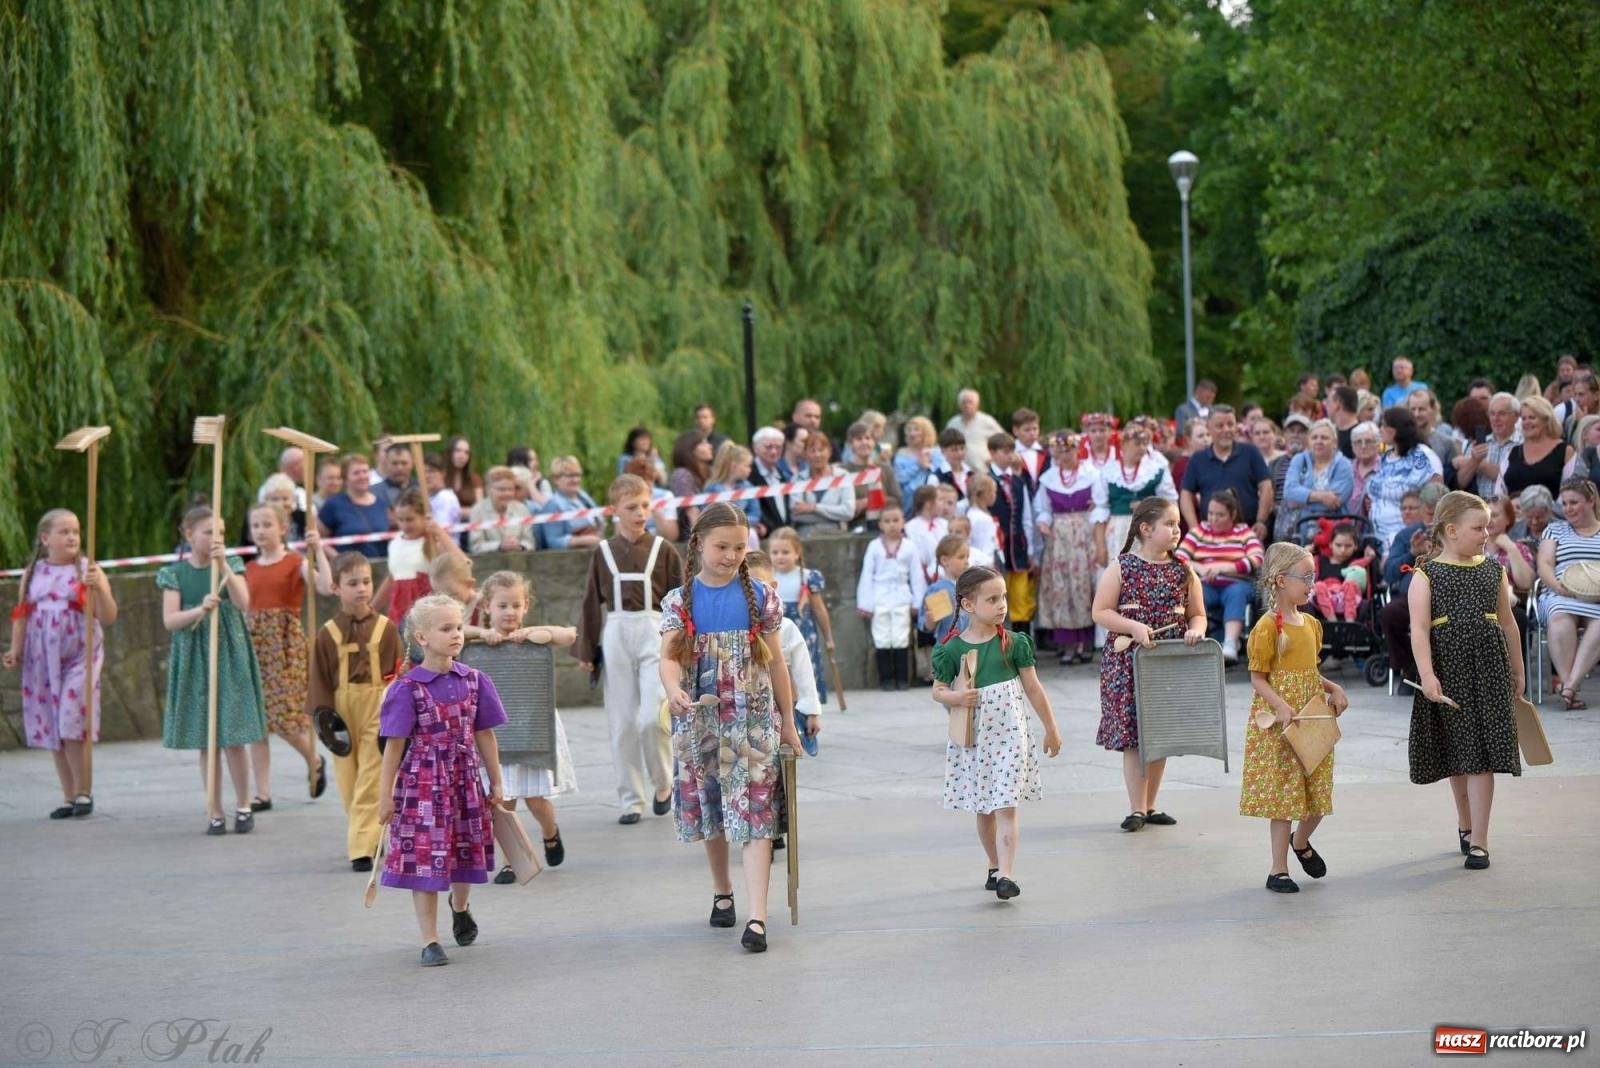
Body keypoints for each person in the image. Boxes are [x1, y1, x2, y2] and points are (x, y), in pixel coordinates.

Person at [659, 503, 801, 954]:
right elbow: (667, 656)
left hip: (754, 719)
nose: (731, 555)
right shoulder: (680, 601)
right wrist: (671, 690)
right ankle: (723, 890)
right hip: (701, 716)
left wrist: (789, 724)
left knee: (758, 814)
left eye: (740, 547)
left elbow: (777, 665)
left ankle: (757, 917)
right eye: (722, 546)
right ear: (699, 543)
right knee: (715, 809)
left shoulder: (760, 596)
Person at [375, 594, 506, 967]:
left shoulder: (475, 681)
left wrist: (495, 781)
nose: (456, 635)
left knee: (464, 850)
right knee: (424, 861)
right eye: (446, 628)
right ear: (421, 638)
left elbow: (485, 735)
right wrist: (385, 797)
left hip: (464, 779)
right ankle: (430, 940)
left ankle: (460, 906)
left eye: (459, 627)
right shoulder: (406, 689)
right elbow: (393, 748)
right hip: (422, 787)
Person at [1410, 492, 1526, 872]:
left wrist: (1518, 669)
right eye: (1479, 527)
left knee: (1481, 755)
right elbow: (1419, 630)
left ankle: (1480, 840)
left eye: (1488, 526)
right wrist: (1427, 675)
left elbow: (1507, 622)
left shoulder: (1493, 570)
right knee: (1459, 753)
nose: (1486, 533)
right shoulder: (1426, 574)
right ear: (1452, 530)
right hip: (1450, 670)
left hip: (1489, 670)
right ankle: (1465, 822)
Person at [932, 566, 1062, 901]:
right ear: (968, 605)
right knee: (984, 808)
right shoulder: (952, 650)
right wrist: (956, 697)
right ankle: (993, 864)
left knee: (1006, 804)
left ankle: (1006, 874)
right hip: (976, 741)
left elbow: (1033, 688)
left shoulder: (1014, 644)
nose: (1002, 604)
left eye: (1003, 597)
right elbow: (938, 690)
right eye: (993, 599)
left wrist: (1051, 727)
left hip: (1010, 737)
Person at [1092, 497, 1207, 832]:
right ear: (1146, 529)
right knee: (1133, 737)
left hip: (1167, 661)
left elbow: (1196, 614)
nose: (1177, 530)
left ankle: (1151, 804)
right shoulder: (1122, 566)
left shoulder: (1183, 570)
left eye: (1177, 524)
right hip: (1128, 662)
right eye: (1170, 524)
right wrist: (1133, 626)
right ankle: (1135, 808)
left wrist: (1196, 631)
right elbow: (1101, 611)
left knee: (1160, 735)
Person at [576, 474, 684, 824]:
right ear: (614, 511)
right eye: (631, 507)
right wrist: (586, 650)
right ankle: (630, 799)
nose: (640, 513)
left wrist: (684, 643)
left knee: (652, 716)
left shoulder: (663, 550)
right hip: (617, 630)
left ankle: (664, 782)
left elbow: (680, 600)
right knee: (622, 721)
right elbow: (592, 601)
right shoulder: (603, 552)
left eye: (644, 506)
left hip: (656, 631)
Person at [1242, 543, 1350, 893]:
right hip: (1280, 720)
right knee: (1285, 795)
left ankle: (1300, 841)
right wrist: (1279, 705)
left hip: (1312, 714)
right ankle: (1278, 870)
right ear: (1279, 581)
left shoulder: (1312, 624)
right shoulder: (1266, 628)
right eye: (1304, 577)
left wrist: (1334, 688)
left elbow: (1308, 672)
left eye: (1312, 577)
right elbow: (1259, 677)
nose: (1311, 584)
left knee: (1318, 793)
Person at [158, 506, 267, 835]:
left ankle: (244, 804)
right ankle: (214, 810)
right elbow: (170, 620)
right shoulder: (174, 573)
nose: (215, 538)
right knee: (208, 740)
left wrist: (224, 568)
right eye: (208, 532)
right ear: (189, 534)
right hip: (195, 658)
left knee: (234, 736)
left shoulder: (231, 564)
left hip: (229, 652)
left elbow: (244, 602)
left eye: (220, 532)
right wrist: (198, 611)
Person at [4, 509, 117, 820]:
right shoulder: (32, 573)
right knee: (54, 724)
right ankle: (68, 795)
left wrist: (101, 590)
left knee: (70, 719)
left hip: (81, 655)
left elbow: (107, 616)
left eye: (76, 532)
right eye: (64, 531)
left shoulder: (86, 571)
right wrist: (15, 648)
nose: (72, 537)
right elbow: (22, 615)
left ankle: (84, 790)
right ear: (45, 538)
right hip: (42, 658)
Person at [474, 571, 577, 883]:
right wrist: (481, 631)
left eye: (516, 605)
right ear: (487, 606)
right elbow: (452, 634)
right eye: (502, 605)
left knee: (535, 800)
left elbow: (569, 635)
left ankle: (550, 832)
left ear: (525, 606)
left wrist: (536, 630)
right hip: (498, 733)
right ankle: (512, 860)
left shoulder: (533, 637)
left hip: (533, 725)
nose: (509, 612)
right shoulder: (477, 640)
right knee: (502, 800)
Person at [310, 551, 405, 868]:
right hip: (341, 706)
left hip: (379, 703)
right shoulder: (327, 634)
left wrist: (401, 708)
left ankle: (361, 849)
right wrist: (323, 717)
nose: (362, 588)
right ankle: (372, 834)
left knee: (370, 776)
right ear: (335, 588)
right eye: (353, 583)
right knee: (348, 779)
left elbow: (399, 670)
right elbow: (320, 679)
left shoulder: (386, 629)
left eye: (366, 581)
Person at [242, 502, 332, 814]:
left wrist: (317, 549)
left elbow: (324, 587)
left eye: (267, 524)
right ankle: (262, 792)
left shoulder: (295, 562)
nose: (260, 531)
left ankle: (314, 758)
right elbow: (243, 607)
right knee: (256, 722)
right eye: (255, 525)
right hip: (255, 644)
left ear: (282, 528)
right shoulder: (249, 569)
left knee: (283, 718)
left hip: (284, 644)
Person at [746, 551, 821, 753]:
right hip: (743, 710)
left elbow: (803, 669)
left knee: (781, 763)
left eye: (759, 584)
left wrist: (811, 711)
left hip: (781, 707)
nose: (752, 592)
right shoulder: (734, 628)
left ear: (773, 586)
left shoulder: (786, 627)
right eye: (745, 586)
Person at [1178, 489, 1264, 663]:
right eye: (1210, 513)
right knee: (1192, 594)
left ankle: (1231, 644)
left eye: (1220, 515)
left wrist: (1226, 567)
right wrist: (1200, 568)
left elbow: (1257, 558)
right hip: (1205, 583)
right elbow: (1178, 558)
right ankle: (1192, 640)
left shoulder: (1243, 532)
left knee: (1236, 594)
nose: (1213, 519)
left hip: (1236, 583)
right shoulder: (1200, 531)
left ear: (1232, 515)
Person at [1536, 478, 1600, 710]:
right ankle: (1569, 685)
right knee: (1560, 616)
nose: (1568, 508)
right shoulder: (1555, 529)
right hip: (1560, 591)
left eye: (1574, 502)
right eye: (1564, 503)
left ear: (1591, 501)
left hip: (1597, 594)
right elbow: (1544, 564)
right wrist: (1560, 587)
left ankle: (1569, 686)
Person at [1036, 431, 1099, 664]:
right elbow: (1043, 508)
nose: (1065, 455)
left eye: (1069, 450)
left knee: (1084, 585)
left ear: (1077, 450)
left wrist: (1096, 506)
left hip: (1085, 534)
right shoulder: (1049, 478)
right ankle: (1067, 644)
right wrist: (1043, 522)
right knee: (1063, 587)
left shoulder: (1091, 474)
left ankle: (1086, 643)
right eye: (1060, 451)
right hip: (1060, 536)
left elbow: (1102, 502)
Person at [1179, 405, 1273, 543]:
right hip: (1210, 536)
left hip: (1248, 533)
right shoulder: (1198, 459)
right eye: (1220, 426)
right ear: (1209, 428)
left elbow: (1266, 487)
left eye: (1230, 424)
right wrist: (1194, 528)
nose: (1226, 430)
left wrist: (1261, 520)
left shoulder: (1251, 452)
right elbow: (1186, 494)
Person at [854, 505, 923, 690]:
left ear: (903, 522)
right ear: (880, 524)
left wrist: (918, 601)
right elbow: (867, 575)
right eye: (887, 521)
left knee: (901, 636)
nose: (892, 525)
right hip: (879, 595)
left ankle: (902, 679)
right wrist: (865, 604)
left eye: (895, 520)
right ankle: (886, 679)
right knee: (882, 635)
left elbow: (916, 576)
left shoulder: (909, 546)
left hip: (901, 594)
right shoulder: (874, 546)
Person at [768, 527, 836, 703]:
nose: (780, 556)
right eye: (775, 552)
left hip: (804, 638)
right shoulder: (767, 578)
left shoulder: (807, 577)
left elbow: (819, 609)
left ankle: (809, 713)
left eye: (785, 552)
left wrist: (829, 637)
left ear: (797, 553)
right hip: (777, 637)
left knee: (804, 674)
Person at [1364, 407, 1444, 551]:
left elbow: (1436, 497)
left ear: (1395, 429)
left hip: (1408, 538)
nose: (1380, 429)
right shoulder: (1385, 457)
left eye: (1383, 425)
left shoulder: (1423, 456)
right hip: (1377, 537)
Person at [377, 488, 457, 628]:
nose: (405, 525)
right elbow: (392, 578)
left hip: (427, 610)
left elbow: (461, 563)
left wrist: (438, 532)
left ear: (424, 516)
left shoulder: (432, 543)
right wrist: (373, 606)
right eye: (400, 520)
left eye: (410, 519)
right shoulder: (395, 543)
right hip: (400, 609)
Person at [986, 432, 1040, 635]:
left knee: (1021, 597)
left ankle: (1023, 644)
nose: (1009, 456)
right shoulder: (984, 479)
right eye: (1005, 452)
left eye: (1012, 452)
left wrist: (1030, 549)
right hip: (997, 547)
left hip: (1017, 546)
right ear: (992, 453)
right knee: (993, 595)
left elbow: (1026, 517)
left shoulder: (1018, 482)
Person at [1281, 420, 1355, 541]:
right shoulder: (1299, 460)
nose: (1319, 441)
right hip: (1301, 529)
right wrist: (1322, 496)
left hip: (1335, 534)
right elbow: (1289, 492)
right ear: (1309, 441)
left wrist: (1302, 499)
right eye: (1314, 437)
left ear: (1334, 442)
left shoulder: (1344, 464)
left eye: (1324, 437)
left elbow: (1335, 502)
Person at [1501, 396, 1576, 502]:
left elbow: (1571, 491)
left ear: (1546, 420)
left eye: (1532, 417)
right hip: (1514, 516)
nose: (1526, 422)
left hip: (1552, 517)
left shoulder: (1565, 451)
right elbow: (1500, 490)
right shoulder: (1512, 452)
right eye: (1524, 418)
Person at [318, 454, 393, 560]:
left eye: (365, 471)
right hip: (348, 570)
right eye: (356, 473)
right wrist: (338, 559)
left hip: (382, 566)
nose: (362, 476)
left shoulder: (381, 503)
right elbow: (318, 539)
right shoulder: (333, 504)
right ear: (345, 478)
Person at [1457, 392, 1522, 499]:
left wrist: (1481, 465)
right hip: (1480, 509)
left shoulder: (1523, 444)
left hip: (1511, 509)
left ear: (1516, 416)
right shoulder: (1478, 444)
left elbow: (1513, 478)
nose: (1496, 419)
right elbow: (1460, 483)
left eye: (1502, 413)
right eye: (1492, 413)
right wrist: (1474, 461)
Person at [791, 431, 854, 538]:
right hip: (805, 536)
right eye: (812, 451)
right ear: (805, 454)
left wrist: (814, 508)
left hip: (837, 535)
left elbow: (848, 512)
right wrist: (834, 514)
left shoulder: (843, 475)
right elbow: (796, 514)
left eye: (821, 450)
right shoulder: (797, 479)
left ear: (829, 451)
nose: (817, 455)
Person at [1309, 522, 1373, 623]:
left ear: (1355, 546)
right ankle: (1332, 621)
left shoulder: (1354, 562)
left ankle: (1350, 621)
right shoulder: (1318, 560)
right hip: (1323, 599)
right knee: (1319, 585)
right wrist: (1305, 552)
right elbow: (1302, 566)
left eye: (1348, 546)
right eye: (1338, 545)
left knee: (1350, 584)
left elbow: (1367, 559)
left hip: (1346, 599)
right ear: (1330, 544)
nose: (1343, 550)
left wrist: (1370, 555)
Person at [843, 421, 901, 530]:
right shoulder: (843, 471)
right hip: (856, 525)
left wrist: (869, 501)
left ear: (874, 442)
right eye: (859, 439)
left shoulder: (886, 469)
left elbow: (897, 500)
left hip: (886, 524)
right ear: (851, 444)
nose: (864, 442)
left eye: (868, 438)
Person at [467, 466, 535, 555]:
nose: (507, 493)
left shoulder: (522, 509)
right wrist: (499, 545)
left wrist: (520, 546)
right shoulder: (477, 511)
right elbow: (475, 546)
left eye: (510, 489)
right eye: (501, 489)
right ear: (488, 489)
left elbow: (530, 542)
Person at [919, 534, 971, 645]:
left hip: (970, 648)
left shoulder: (971, 587)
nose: (966, 561)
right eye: (961, 557)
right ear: (944, 560)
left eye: (967, 557)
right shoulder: (937, 589)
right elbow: (923, 621)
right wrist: (929, 622)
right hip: (947, 650)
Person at [1407, 389, 1460, 487]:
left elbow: (1454, 481)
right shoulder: (1401, 441)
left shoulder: (1447, 443)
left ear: (1433, 410)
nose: (1416, 414)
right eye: (1413, 409)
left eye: (1421, 409)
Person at [705, 442, 762, 529]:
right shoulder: (712, 488)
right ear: (733, 466)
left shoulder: (748, 487)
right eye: (747, 466)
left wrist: (740, 522)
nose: (750, 470)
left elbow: (755, 514)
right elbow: (706, 514)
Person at [945, 388, 1005, 470]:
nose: (967, 405)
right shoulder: (953, 423)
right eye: (964, 402)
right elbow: (944, 445)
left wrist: (995, 458)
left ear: (977, 404)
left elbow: (1003, 440)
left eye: (970, 402)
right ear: (959, 405)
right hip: (958, 471)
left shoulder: (987, 421)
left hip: (982, 470)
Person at [750, 426, 790, 535]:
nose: (774, 451)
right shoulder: (749, 476)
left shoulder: (783, 476)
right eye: (768, 447)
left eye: (778, 447)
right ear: (755, 448)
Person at [894, 416, 942, 498]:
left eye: (916, 430)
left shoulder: (936, 452)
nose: (912, 434)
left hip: (932, 496)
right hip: (908, 497)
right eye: (909, 430)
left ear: (926, 432)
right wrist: (917, 466)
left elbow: (942, 476)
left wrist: (929, 467)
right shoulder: (901, 453)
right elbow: (898, 478)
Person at [963, 474, 1002, 566]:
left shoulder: (970, 513)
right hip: (983, 565)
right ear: (985, 494)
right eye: (993, 492)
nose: (995, 495)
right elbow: (985, 549)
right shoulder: (983, 519)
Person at [372, 441, 418, 512]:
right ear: (387, 464)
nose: (399, 468)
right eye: (394, 463)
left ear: (412, 463)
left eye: (404, 463)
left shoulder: (423, 489)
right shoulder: (374, 493)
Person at [442, 435, 482, 514]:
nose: (462, 456)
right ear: (450, 453)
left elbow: (480, 509)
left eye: (466, 453)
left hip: (470, 523)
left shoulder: (474, 478)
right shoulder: (440, 477)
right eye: (458, 451)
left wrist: (457, 512)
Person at [935, 428, 975, 504]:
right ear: (943, 451)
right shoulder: (937, 477)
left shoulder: (971, 474)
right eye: (954, 450)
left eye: (962, 448)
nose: (959, 453)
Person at [1169, 417, 1209, 492]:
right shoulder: (1182, 465)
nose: (1206, 439)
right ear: (1188, 440)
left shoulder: (1208, 460)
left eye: (1208, 435)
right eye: (1200, 436)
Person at [1012, 408, 1049, 483]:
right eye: (1027, 430)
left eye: (1035, 429)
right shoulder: (1011, 453)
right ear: (1015, 431)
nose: (1032, 433)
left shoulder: (1046, 453)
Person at [1326, 385, 1361, 458]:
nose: (1327, 407)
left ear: (1337, 403)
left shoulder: (1360, 437)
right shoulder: (1331, 434)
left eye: (1328, 402)